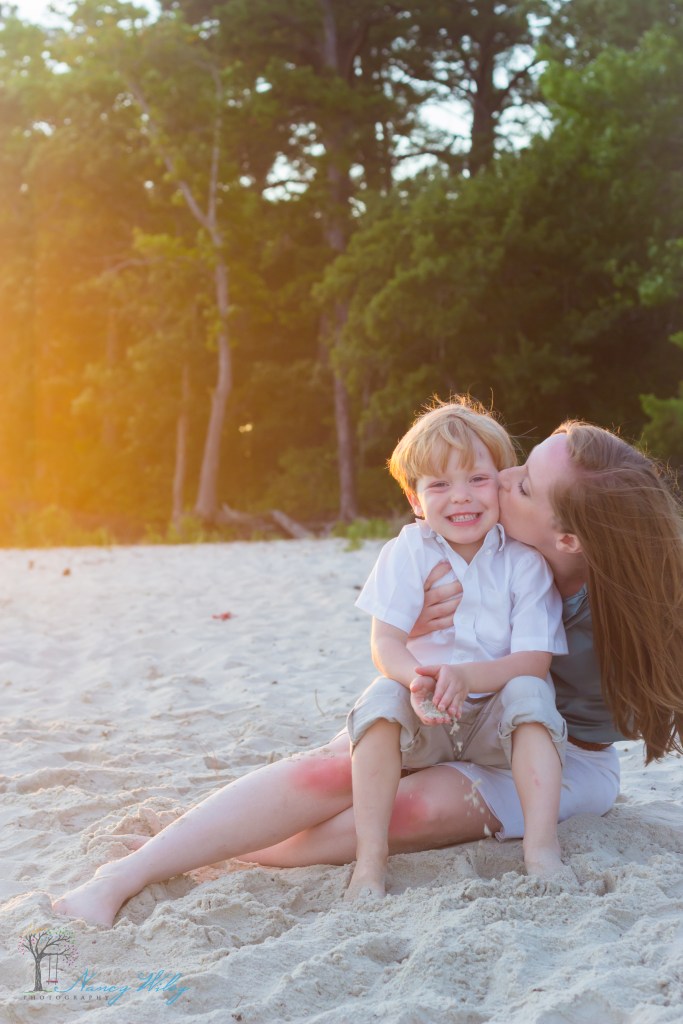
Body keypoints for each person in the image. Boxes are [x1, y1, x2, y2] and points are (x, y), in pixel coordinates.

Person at [52, 416, 683, 929]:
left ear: (569, 538)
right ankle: (127, 874)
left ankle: (218, 848)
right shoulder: (490, 552)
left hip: (563, 760)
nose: (505, 476)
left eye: (520, 485)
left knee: (411, 812)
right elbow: (424, 552)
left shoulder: (638, 610)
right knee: (336, 770)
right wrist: (417, 633)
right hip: (451, 712)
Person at [344, 400, 568, 898]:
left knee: (532, 692)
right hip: (427, 715)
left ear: (501, 480)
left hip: (495, 725)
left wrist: (468, 678)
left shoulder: (523, 561)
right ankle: (369, 862)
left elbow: (534, 660)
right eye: (439, 484)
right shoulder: (408, 551)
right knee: (380, 698)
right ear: (416, 498)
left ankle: (541, 849)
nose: (461, 497)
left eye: (476, 479)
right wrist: (414, 677)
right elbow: (386, 643)